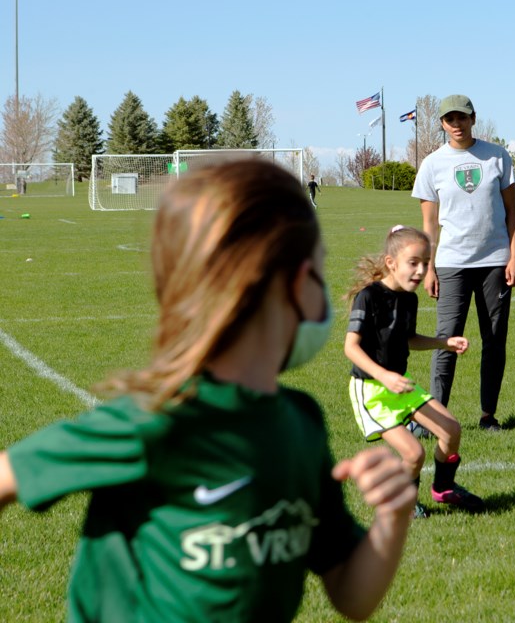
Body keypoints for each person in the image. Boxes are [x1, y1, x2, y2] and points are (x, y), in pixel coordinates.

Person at [0, 159, 416, 622]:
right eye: (320, 269)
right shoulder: (161, 420)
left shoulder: (300, 423)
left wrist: (392, 519)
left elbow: (350, 596)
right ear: (295, 286)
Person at [344, 225, 485, 518]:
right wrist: (383, 375)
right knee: (414, 454)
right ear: (391, 263)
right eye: (414, 263)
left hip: (400, 385)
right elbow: (351, 348)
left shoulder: (409, 298)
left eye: (426, 263)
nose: (421, 271)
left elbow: (408, 338)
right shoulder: (368, 297)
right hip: (371, 391)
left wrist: (442, 343)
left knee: (451, 430)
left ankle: (443, 488)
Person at [412, 94, 515, 431]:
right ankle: (436, 417)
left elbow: (512, 214)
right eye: (449, 120)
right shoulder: (432, 164)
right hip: (451, 263)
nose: (456, 125)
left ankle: (489, 415)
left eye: (462, 118)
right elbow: (429, 226)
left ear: (473, 119)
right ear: (443, 124)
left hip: (495, 262)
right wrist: (429, 267)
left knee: (494, 340)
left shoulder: (497, 157)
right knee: (446, 339)